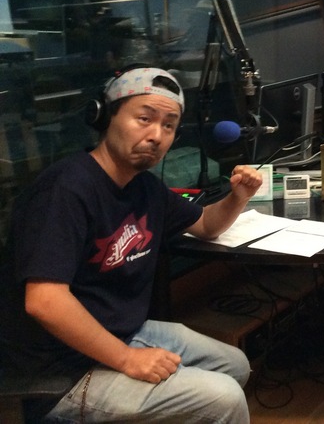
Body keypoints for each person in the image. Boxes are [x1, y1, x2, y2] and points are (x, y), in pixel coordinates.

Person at [0, 66, 263, 423]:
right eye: (144, 118)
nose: (156, 135)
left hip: (123, 331)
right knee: (224, 397)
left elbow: (206, 225)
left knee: (235, 365)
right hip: (60, 369)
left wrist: (239, 196)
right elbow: (44, 301)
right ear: (106, 116)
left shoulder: (146, 187)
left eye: (168, 126)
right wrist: (127, 359)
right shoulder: (65, 190)